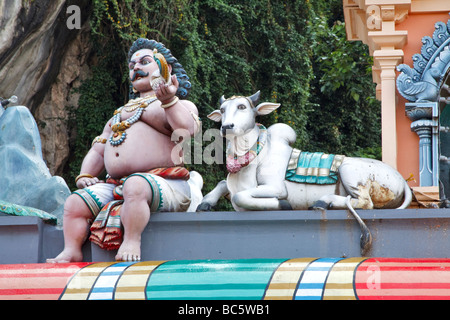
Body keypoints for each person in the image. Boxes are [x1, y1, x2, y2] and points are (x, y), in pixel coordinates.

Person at [48, 38, 200, 262]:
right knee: (75, 202)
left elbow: (186, 129)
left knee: (136, 185)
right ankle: (71, 250)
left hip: (165, 182)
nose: (136, 67)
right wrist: (86, 175)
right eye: (132, 66)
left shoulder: (179, 105)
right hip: (118, 183)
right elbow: (99, 150)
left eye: (145, 62)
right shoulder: (118, 114)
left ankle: (131, 241)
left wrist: (168, 101)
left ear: (165, 69)